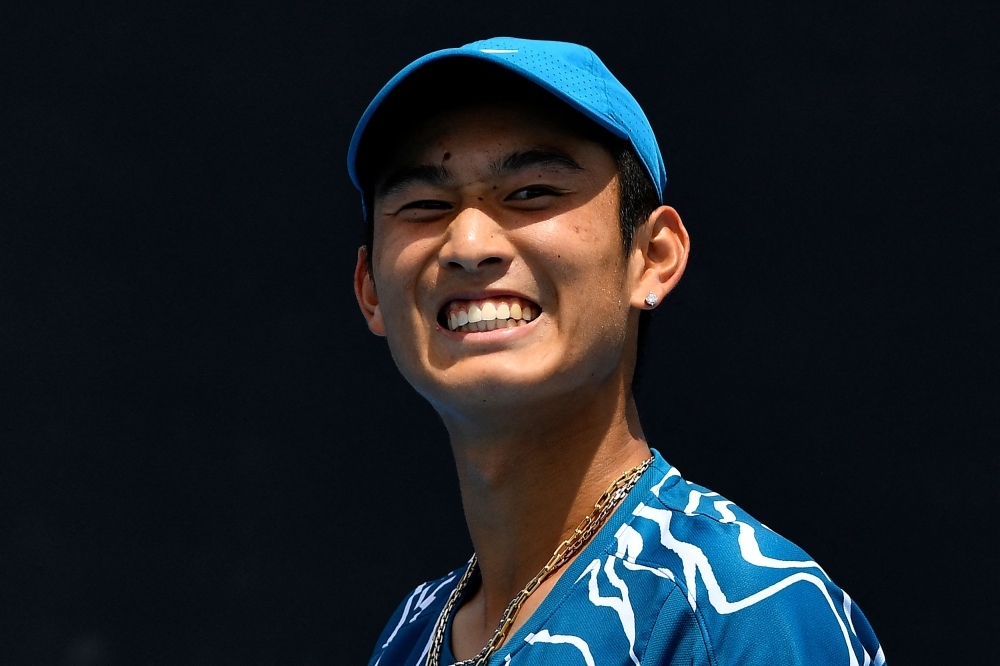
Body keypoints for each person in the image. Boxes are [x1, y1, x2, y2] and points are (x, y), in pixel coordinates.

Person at [347, 37, 885, 666]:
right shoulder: (414, 629)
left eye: (532, 191)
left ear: (653, 256)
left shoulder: (744, 611)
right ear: (370, 289)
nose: (469, 243)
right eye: (425, 205)